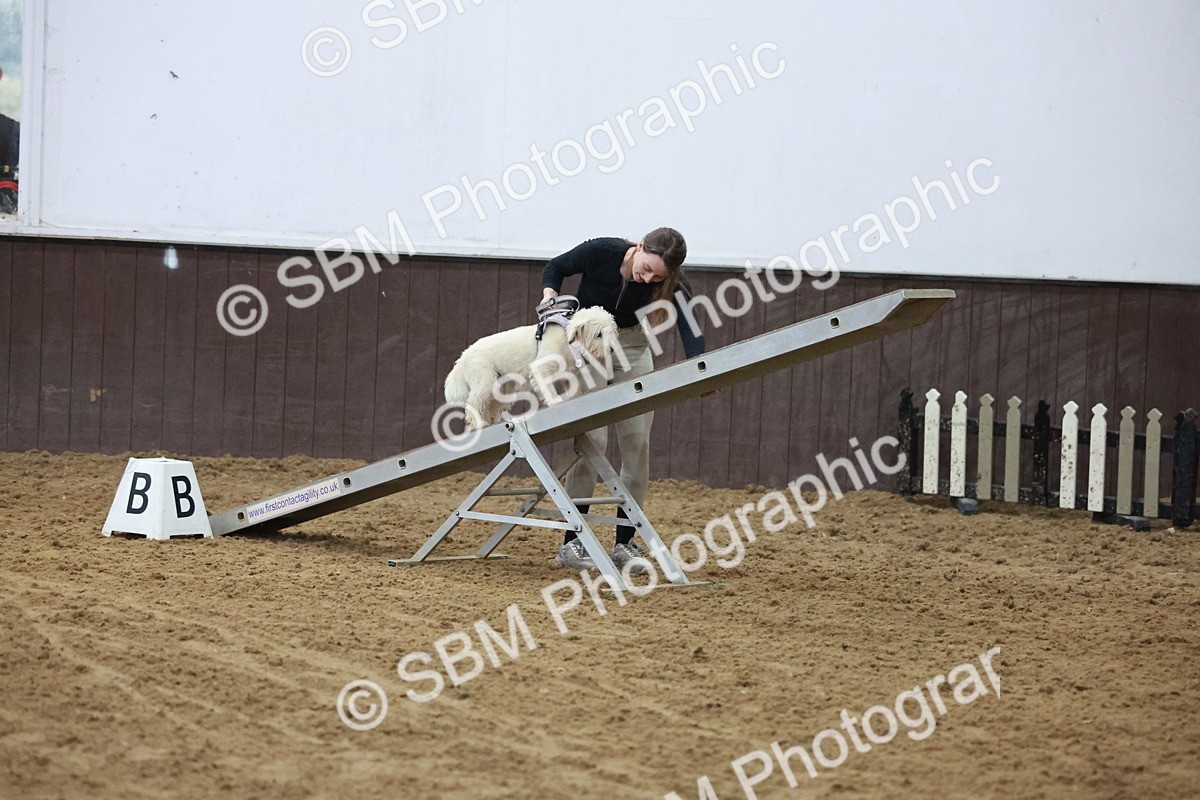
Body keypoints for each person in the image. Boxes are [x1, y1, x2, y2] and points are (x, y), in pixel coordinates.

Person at [539, 227, 705, 572]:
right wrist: (550, 295)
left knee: (637, 443)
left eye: (657, 277)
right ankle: (573, 543)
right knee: (591, 441)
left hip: (633, 347)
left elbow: (690, 326)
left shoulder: (672, 282)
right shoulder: (602, 251)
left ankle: (624, 542)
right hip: (590, 346)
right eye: (646, 269)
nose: (647, 280)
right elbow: (556, 266)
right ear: (640, 246)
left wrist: (700, 368)